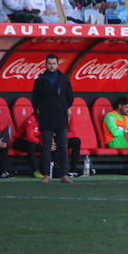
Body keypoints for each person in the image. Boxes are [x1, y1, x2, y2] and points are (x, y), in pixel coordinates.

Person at [32, 53, 74, 183]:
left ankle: (64, 174)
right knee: (46, 146)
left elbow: (70, 97)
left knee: (62, 146)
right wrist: (41, 110)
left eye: (54, 63)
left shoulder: (64, 79)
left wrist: (62, 107)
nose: (51, 66)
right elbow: (35, 99)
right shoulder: (40, 80)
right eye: (49, 63)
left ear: (57, 64)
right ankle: (46, 175)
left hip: (61, 117)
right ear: (45, 64)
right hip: (46, 117)